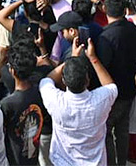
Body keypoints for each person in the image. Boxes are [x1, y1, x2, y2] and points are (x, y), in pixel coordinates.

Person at [39, 37, 117, 166]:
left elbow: (47, 80)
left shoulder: (56, 101)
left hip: (62, 162)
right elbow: (111, 86)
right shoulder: (101, 100)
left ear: (64, 81)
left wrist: (70, 61)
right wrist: (93, 58)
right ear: (88, 81)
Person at [95, 0, 136, 166]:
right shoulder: (133, 29)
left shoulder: (106, 37)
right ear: (125, 10)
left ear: (104, 9)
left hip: (112, 93)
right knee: (123, 129)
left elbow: (102, 66)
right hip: (129, 90)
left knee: (107, 130)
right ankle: (121, 162)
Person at [0, 48, 47, 166]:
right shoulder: (41, 92)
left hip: (14, 159)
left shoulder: (7, 104)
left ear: (12, 71)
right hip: (33, 157)